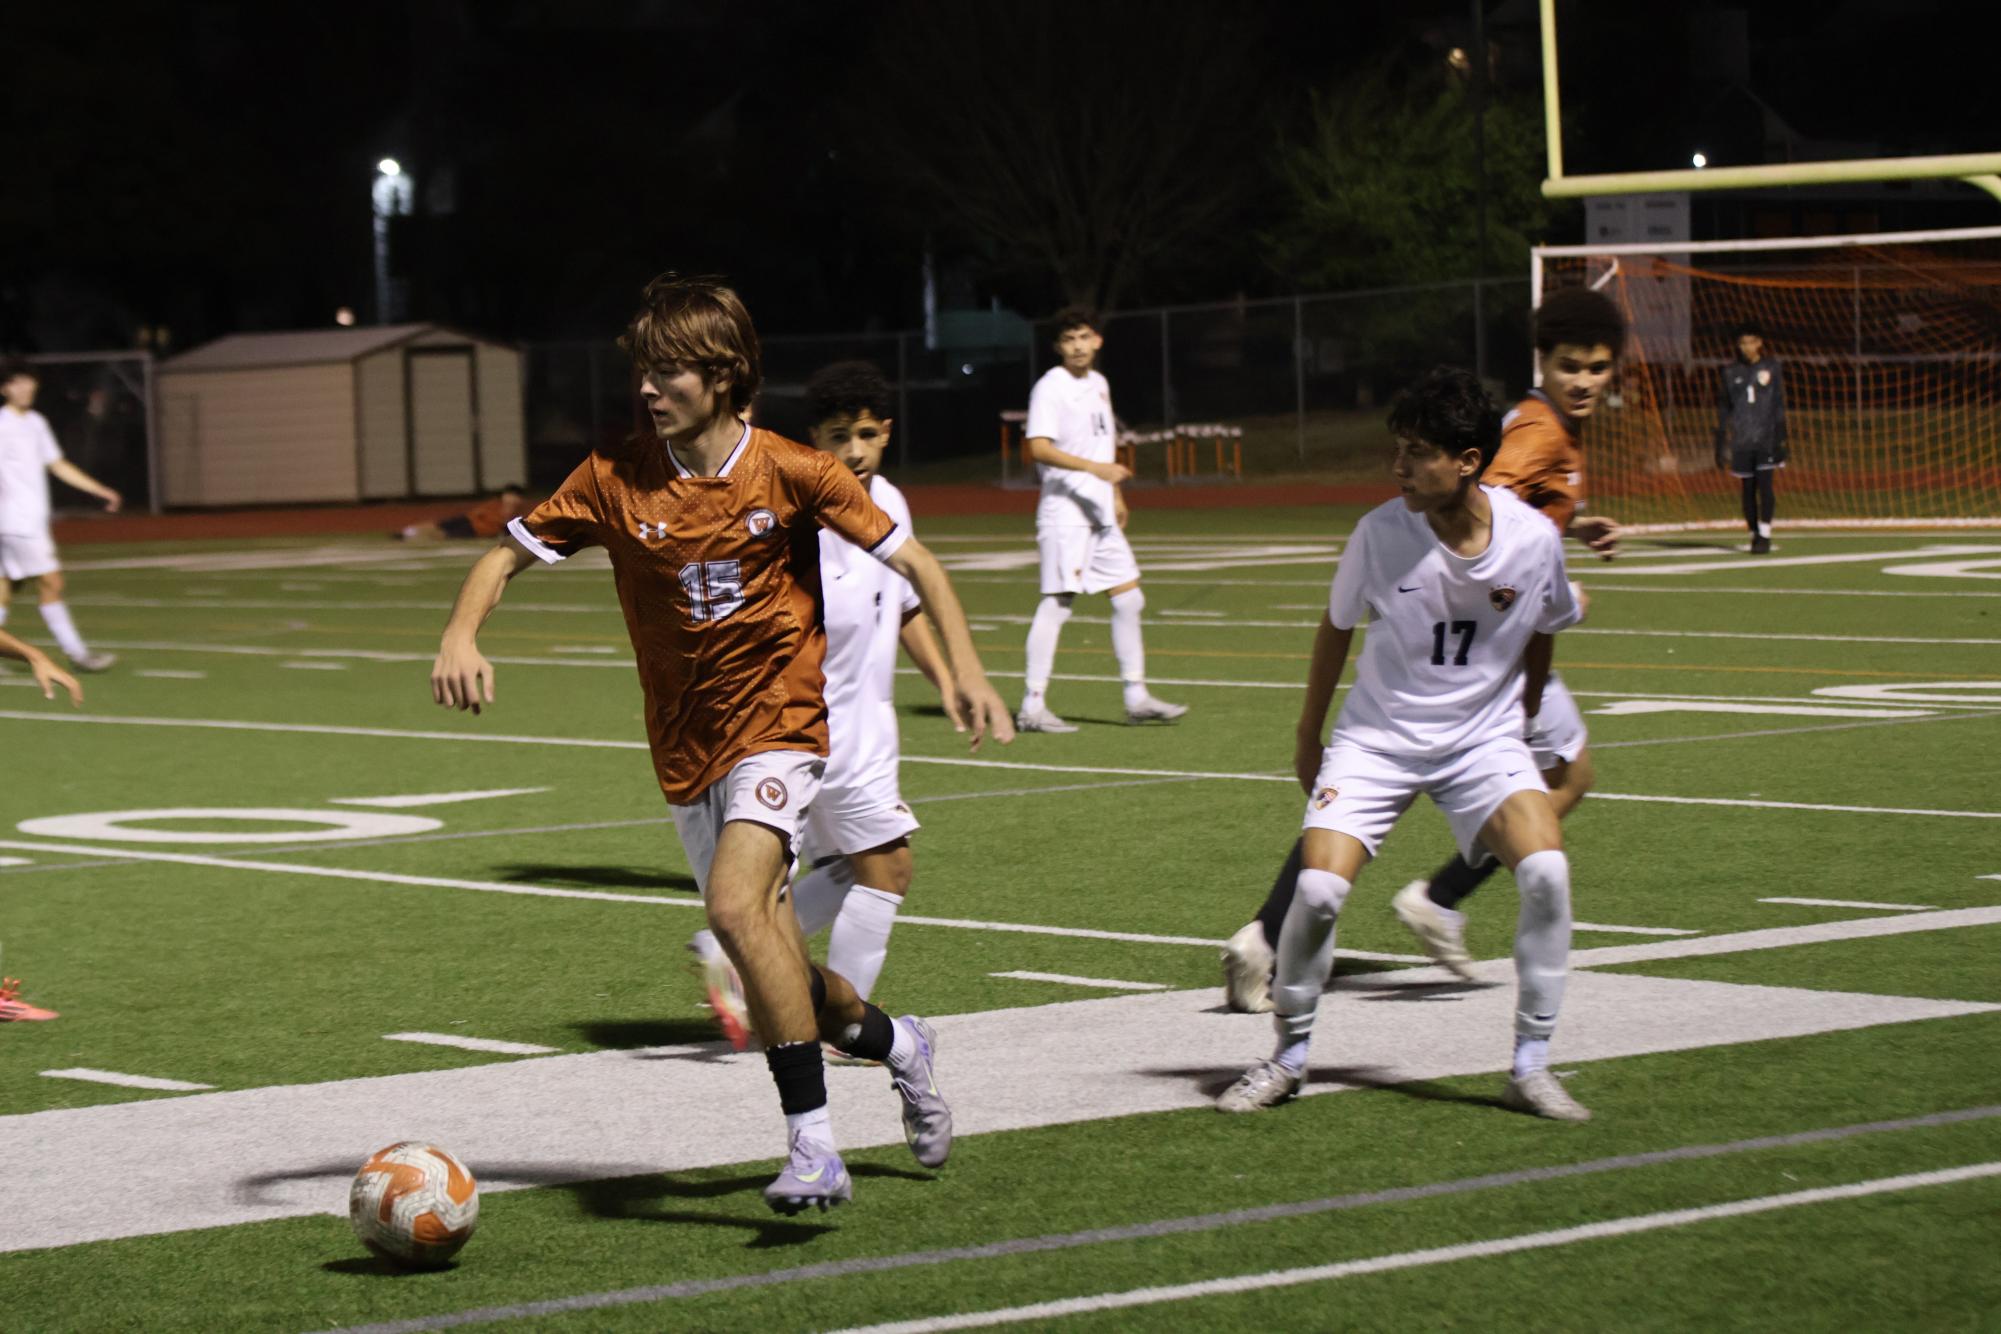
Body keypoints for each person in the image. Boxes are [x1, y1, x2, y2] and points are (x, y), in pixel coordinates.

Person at [430, 273, 1014, 1215]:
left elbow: (915, 561)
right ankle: (901, 1045)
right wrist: (462, 632)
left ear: (723, 373)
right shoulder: (613, 477)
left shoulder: (793, 470)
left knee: (737, 909)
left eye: (667, 372)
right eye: (644, 372)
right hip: (683, 749)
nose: (648, 389)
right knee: (774, 958)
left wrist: (970, 670)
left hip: (778, 729)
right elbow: (504, 552)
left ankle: (814, 1149)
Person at [1222, 287, 1625, 1000]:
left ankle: (1274, 932)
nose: (1584, 381)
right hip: (1480, 641)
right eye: (1570, 366)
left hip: (1493, 635)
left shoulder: (1551, 431)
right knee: (1551, 777)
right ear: (1543, 362)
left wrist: (1572, 528)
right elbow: (1477, 515)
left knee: (1409, 781)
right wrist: (1537, 581)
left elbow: (1516, 514)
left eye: (1597, 368)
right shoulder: (1536, 430)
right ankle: (1429, 901)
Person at [1215, 366, 1589, 1122]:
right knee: (1317, 892)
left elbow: (1545, 630)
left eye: (1417, 452)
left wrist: (1520, 723)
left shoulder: (1531, 539)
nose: (1398, 467)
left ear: (1468, 460)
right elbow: (1335, 630)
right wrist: (1307, 734)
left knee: (1546, 874)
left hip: (1482, 742)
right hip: (1376, 740)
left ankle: (1530, 1065)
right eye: (1398, 449)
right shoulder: (1379, 533)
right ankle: (1286, 1059)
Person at [690, 361, 956, 1058]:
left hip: (864, 727)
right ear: (815, 439)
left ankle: (736, 958)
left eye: (867, 434)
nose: (856, 451)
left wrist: (947, 681)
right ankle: (842, 1027)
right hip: (815, 729)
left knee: (847, 870)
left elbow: (904, 606)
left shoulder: (889, 501)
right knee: (887, 869)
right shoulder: (795, 511)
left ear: (886, 432)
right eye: (840, 436)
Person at [1015, 309, 1185, 732]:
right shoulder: (1050, 387)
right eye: (1068, 339)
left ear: (1097, 341)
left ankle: (1136, 696)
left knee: (1129, 598)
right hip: (1065, 513)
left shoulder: (1099, 385)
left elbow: (1102, 445)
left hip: (1098, 509)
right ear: (1058, 347)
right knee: (1058, 603)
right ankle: (1032, 706)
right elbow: (1038, 448)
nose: (1077, 346)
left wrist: (1114, 492)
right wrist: (1096, 472)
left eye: (1084, 337)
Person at [0, 362, 122, 672]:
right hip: (18, 524)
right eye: (17, 382)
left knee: (4, 588)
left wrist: (100, 490)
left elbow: (57, 465)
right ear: (5, 389)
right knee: (52, 581)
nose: (25, 387)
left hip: (25, 523)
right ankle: (78, 653)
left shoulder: (36, 423)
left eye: (28, 381)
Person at [1716, 320, 1787, 554]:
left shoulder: (1772, 368)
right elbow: (1724, 408)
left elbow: (1778, 404)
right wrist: (1720, 441)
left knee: (1765, 486)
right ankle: (1753, 533)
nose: (1747, 347)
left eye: (1751, 342)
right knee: (1747, 489)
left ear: (1760, 343)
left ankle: (1765, 533)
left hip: (1766, 438)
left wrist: (1781, 438)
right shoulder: (1730, 372)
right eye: (1743, 343)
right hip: (1742, 440)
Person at [395, 485, 529, 542]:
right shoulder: (496, 504)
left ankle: (409, 535)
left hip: (476, 528)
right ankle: (408, 532)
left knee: (443, 533)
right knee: (440, 527)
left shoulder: (517, 512)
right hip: (471, 523)